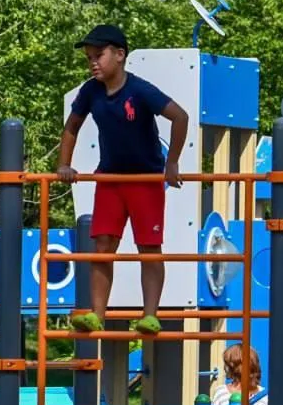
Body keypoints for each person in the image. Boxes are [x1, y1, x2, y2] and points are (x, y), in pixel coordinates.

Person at [57, 24, 190, 335]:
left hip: (145, 179)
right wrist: (64, 164)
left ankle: (150, 315)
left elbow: (180, 116)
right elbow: (71, 127)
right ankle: (97, 313)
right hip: (111, 179)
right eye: (89, 58)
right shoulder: (90, 91)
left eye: (98, 55)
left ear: (119, 55)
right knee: (103, 244)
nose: (93, 62)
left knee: (148, 246)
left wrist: (171, 162)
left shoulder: (139, 90)